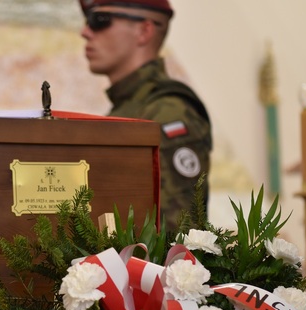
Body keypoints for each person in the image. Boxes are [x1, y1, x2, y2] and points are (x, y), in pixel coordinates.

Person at [78, 0, 212, 231]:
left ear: (144, 31)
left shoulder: (167, 111)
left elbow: (178, 232)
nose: (85, 32)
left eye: (99, 21)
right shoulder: (129, 110)